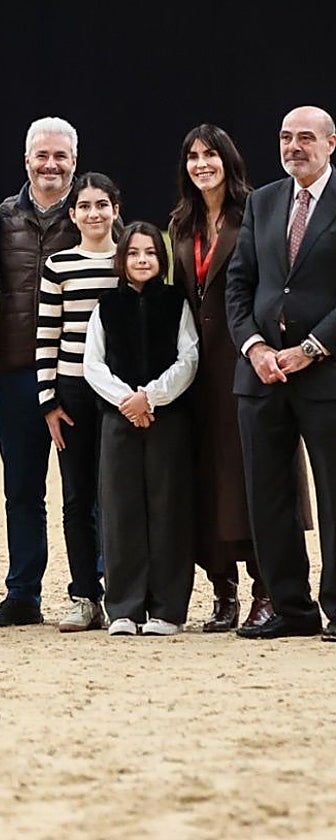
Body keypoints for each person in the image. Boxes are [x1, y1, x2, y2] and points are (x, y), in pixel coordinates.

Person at [227, 105, 336, 641]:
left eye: (306, 138)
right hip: (262, 376)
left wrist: (312, 348)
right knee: (267, 499)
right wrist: (254, 348)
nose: (294, 146)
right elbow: (239, 285)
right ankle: (291, 609)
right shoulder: (263, 202)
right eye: (286, 137)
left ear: (331, 143)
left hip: (326, 377)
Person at [168, 124, 277, 631]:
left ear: (228, 160)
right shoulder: (180, 223)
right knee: (206, 480)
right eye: (193, 156)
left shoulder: (255, 211)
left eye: (210, 154)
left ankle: (267, 589)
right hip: (196, 371)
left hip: (244, 361)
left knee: (251, 478)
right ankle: (222, 592)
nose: (201, 163)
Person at [0, 116, 82, 628]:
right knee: (21, 492)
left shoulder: (92, 214)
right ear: (26, 161)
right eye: (42, 155)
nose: (50, 164)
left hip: (77, 375)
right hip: (17, 372)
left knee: (83, 492)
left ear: (74, 163)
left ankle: (91, 589)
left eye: (60, 156)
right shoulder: (0, 218)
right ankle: (23, 594)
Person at [84, 222, 199, 636]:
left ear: (161, 258)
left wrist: (151, 397)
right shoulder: (107, 306)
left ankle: (167, 610)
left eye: (150, 252)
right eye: (133, 253)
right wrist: (127, 401)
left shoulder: (176, 302)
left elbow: (189, 358)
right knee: (121, 512)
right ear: (122, 259)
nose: (142, 260)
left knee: (169, 511)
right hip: (118, 421)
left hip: (168, 420)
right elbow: (92, 364)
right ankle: (124, 609)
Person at [37, 172, 122, 632]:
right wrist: (48, 401)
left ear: (115, 210)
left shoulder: (131, 261)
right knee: (77, 497)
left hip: (119, 393)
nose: (94, 213)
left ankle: (125, 595)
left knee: (120, 495)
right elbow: (47, 335)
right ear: (73, 214)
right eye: (85, 206)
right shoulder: (59, 266)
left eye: (102, 205)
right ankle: (86, 595)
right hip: (72, 392)